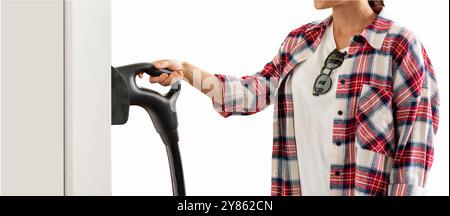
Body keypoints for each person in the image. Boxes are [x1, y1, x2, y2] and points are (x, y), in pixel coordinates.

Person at [139, 0, 440, 196]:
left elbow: (412, 157)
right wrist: (189, 73)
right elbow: (255, 91)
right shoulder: (301, 41)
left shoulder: (399, 47)